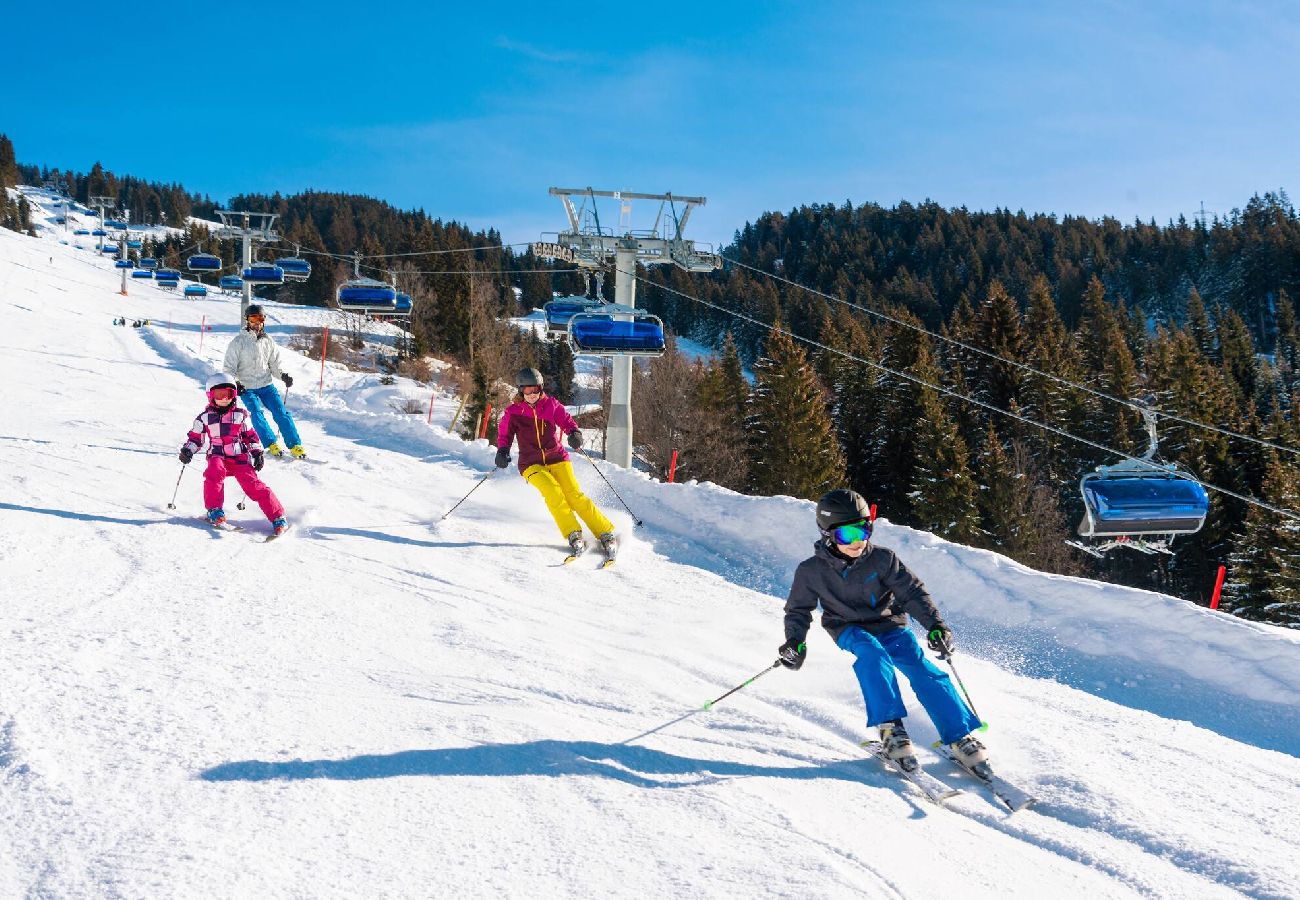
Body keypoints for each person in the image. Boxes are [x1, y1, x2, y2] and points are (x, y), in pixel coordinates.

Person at [777, 488, 988, 774]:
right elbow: (798, 610)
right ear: (827, 535)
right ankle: (891, 729)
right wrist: (794, 640)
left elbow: (912, 593)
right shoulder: (811, 571)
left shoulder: (883, 559)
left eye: (863, 530)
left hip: (889, 624)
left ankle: (959, 735)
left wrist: (935, 626)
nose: (857, 542)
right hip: (848, 627)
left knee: (920, 666)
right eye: (846, 535)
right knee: (872, 656)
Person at [494, 367, 616, 557]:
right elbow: (505, 435)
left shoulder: (550, 405)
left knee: (574, 495)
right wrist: (502, 451)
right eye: (528, 390)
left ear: (541, 388)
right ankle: (573, 534)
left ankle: (605, 532)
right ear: (520, 390)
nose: (532, 394)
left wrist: (574, 433)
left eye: (536, 389)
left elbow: (566, 420)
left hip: (557, 458)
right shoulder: (513, 412)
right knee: (552, 491)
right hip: (530, 464)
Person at [180, 372, 287, 535]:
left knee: (254, 485)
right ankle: (215, 511)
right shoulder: (204, 418)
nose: (224, 398)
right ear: (211, 395)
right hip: (217, 455)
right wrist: (188, 450)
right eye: (219, 394)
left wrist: (257, 452)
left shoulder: (241, 415)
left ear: (234, 394)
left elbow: (250, 436)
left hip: (239, 457)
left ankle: (277, 516)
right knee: (214, 473)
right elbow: (196, 439)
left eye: (228, 394)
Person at [222, 304, 305, 458]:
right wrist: (236, 384)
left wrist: (283, 376)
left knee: (281, 413)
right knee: (256, 413)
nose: (257, 322)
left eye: (260, 318)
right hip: (246, 387)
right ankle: (271, 443)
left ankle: (295, 445)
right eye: (253, 318)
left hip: (266, 385)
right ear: (247, 320)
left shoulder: (268, 341)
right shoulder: (238, 342)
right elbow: (228, 368)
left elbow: (274, 366)